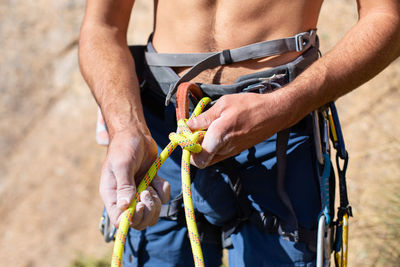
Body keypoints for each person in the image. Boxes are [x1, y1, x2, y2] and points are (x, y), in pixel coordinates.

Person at [78, 0, 400, 266]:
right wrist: (125, 127)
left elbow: (386, 16)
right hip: (161, 131)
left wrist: (284, 106)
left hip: (278, 132)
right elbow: (102, 26)